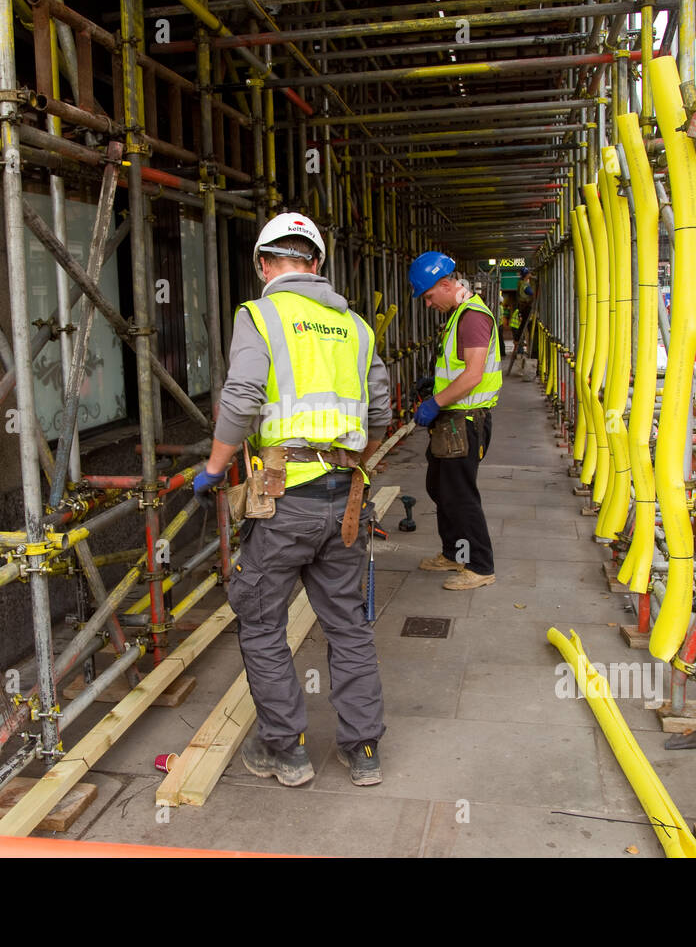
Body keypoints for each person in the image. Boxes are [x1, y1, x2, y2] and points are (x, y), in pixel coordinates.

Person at [192, 212, 391, 788]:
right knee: (348, 626)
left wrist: (215, 466)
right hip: (346, 498)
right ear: (317, 264)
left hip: (284, 501)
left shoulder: (261, 314)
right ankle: (364, 753)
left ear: (263, 265)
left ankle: (287, 750)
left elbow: (245, 394)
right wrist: (355, 461)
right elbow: (379, 410)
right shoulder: (354, 325)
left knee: (259, 621)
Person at [408, 251, 502, 590]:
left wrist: (435, 401)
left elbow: (473, 375)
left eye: (430, 296)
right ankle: (454, 553)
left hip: (466, 421)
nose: (429, 304)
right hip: (453, 419)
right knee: (440, 487)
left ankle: (479, 565)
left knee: (460, 494)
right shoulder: (459, 314)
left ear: (446, 284)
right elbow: (459, 370)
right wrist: (436, 386)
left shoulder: (472, 317)